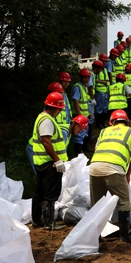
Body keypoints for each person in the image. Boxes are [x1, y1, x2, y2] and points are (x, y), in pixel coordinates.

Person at [89, 109, 131, 243]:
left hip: (94, 167)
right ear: (127, 121)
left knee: (97, 205)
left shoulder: (104, 131)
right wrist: (128, 174)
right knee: (124, 203)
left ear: (112, 122)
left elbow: (96, 150)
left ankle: (95, 237)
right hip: (114, 169)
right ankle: (124, 237)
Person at [30, 92, 68, 230]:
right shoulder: (47, 120)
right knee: (50, 194)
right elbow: (46, 140)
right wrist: (57, 160)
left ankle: (37, 220)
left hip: (41, 162)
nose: (59, 112)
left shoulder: (41, 118)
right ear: (53, 108)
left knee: (39, 192)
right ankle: (49, 223)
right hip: (50, 163)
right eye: (59, 109)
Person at [72, 68, 93, 155]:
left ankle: (84, 149)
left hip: (85, 115)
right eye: (85, 78)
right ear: (81, 77)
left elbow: (85, 102)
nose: (87, 80)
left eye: (88, 78)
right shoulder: (78, 87)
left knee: (84, 134)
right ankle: (78, 154)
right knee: (79, 135)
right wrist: (80, 116)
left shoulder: (84, 87)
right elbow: (75, 101)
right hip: (80, 116)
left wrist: (89, 113)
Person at [94, 55, 110, 128]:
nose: (106, 62)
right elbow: (93, 79)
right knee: (99, 108)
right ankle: (98, 124)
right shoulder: (97, 70)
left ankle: (103, 123)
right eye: (105, 61)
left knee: (104, 108)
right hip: (99, 91)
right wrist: (102, 82)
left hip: (105, 91)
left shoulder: (105, 69)